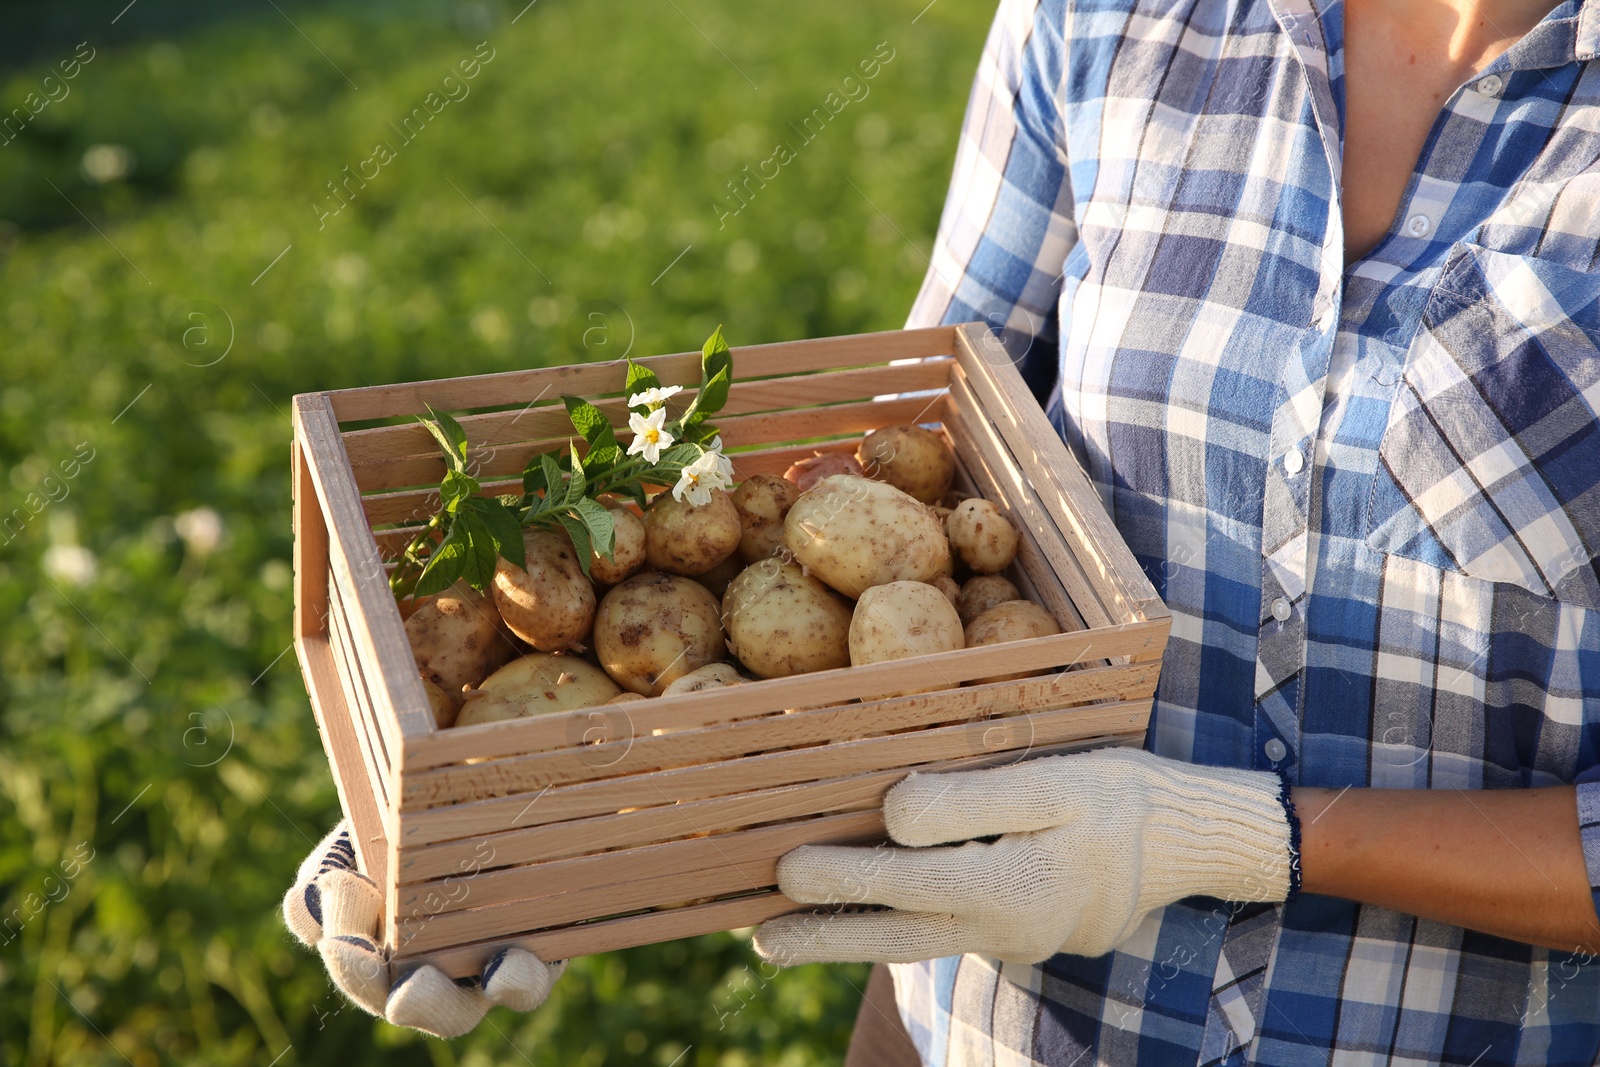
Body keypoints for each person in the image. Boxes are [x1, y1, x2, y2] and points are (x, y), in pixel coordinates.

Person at [286, 0, 1600, 1060]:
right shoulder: (1103, 21)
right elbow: (889, 477)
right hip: (992, 1026)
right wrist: (516, 811)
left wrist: (1243, 837)